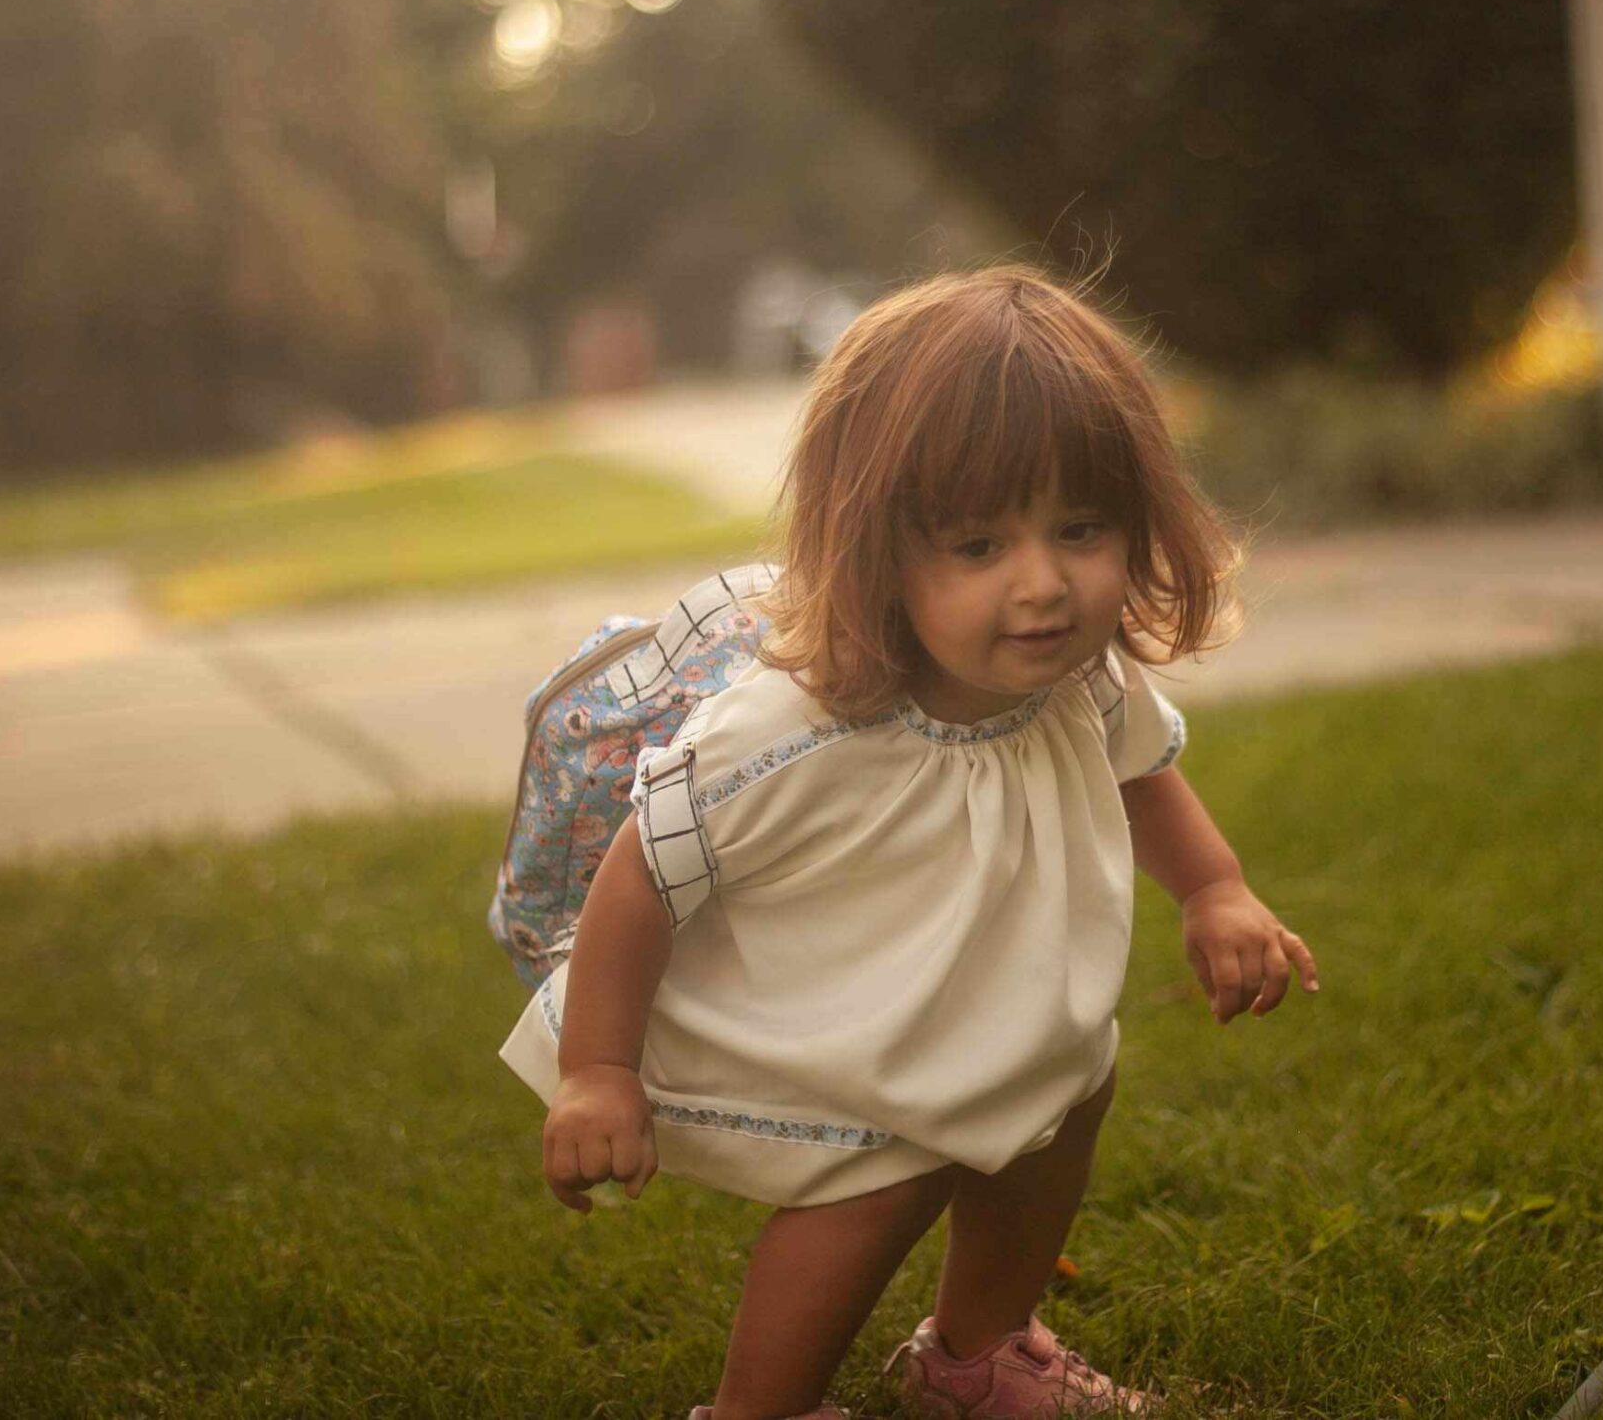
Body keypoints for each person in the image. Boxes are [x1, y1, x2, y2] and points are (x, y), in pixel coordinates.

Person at [527, 264, 1320, 1419]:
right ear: (880, 549)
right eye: (978, 545)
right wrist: (598, 1071)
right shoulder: (795, 728)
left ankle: (976, 1356)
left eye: (1079, 529)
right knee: (878, 1179)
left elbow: (1143, 772)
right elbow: (645, 870)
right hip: (856, 1022)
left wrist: (1215, 892)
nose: (1042, 584)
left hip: (992, 998)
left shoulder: (1073, 680)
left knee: (1060, 1101)